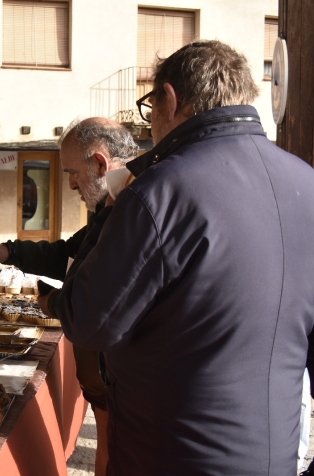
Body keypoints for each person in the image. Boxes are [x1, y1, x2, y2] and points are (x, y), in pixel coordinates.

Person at [46, 40, 314, 475]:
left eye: (149, 111)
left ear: (168, 99)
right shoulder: (306, 183)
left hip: (169, 455)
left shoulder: (158, 191)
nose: (150, 126)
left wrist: (109, 216)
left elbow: (88, 319)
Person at [0, 117, 138, 476]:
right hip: (108, 386)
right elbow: (69, 254)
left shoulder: (130, 210)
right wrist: (10, 252)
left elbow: (99, 298)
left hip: (123, 383)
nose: (70, 183)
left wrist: (52, 303)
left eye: (73, 172)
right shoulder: (108, 208)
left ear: (101, 164)